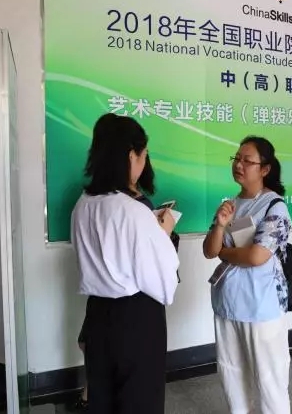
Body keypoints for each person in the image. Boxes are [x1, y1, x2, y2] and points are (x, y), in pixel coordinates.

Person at [71, 114, 180, 413]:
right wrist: (164, 234)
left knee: (102, 399)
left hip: (97, 316)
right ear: (132, 155)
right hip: (136, 319)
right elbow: (164, 285)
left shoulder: (83, 204)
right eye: (143, 155)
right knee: (139, 400)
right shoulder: (133, 211)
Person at [202, 136, 292, 414]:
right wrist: (220, 225)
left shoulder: (274, 207)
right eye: (236, 159)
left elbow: (256, 256)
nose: (238, 164)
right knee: (231, 374)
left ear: (265, 169)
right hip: (227, 304)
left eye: (247, 160)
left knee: (269, 380)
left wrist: (225, 252)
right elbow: (209, 250)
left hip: (261, 307)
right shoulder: (230, 205)